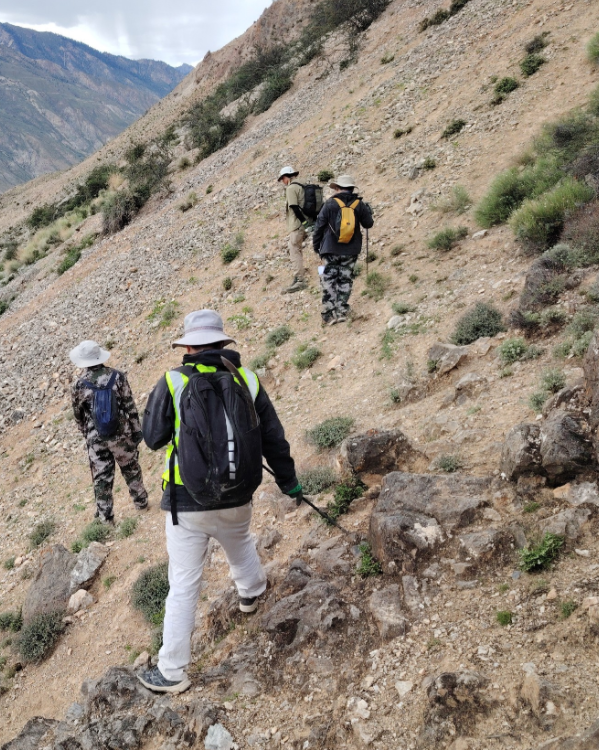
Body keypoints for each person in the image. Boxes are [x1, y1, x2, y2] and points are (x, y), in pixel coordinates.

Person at [136, 310, 304, 693]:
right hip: (239, 493)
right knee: (239, 542)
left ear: (188, 347)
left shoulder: (174, 381)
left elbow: (153, 438)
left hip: (187, 501)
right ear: (223, 343)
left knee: (183, 583)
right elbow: (273, 438)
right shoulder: (247, 378)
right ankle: (252, 592)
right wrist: (289, 483)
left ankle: (172, 672)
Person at [69, 340, 148, 524]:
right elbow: (130, 406)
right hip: (121, 434)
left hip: (96, 438)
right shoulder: (118, 376)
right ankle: (141, 503)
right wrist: (136, 431)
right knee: (131, 468)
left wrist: (87, 435)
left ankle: (106, 518)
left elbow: (78, 416)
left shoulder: (78, 385)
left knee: (101, 478)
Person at [311, 173, 374, 326]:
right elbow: (368, 224)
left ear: (338, 188)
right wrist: (367, 211)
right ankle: (342, 311)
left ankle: (328, 314)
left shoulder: (330, 204)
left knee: (328, 280)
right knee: (345, 279)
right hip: (351, 250)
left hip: (330, 248)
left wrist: (316, 246)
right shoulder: (359, 204)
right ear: (352, 189)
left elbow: (319, 226)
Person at [277, 165, 309, 294]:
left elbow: (294, 207)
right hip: (306, 223)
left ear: (286, 177)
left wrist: (304, 222)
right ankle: (298, 277)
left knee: (294, 248)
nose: (282, 182)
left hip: (297, 225)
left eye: (282, 179)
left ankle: (300, 280)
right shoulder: (302, 185)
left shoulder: (291, 188)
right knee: (297, 248)